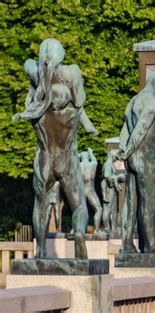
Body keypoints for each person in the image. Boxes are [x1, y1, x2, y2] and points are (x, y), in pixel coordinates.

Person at [12, 38, 90, 258]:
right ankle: (80, 233)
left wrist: (41, 66)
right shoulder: (72, 77)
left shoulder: (39, 92)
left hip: (45, 158)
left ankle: (40, 251)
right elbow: (80, 98)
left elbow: (29, 64)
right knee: (80, 206)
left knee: (41, 205)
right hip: (67, 158)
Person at [116, 71, 155, 254]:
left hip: (133, 159)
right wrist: (128, 150)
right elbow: (140, 130)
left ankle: (126, 243)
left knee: (131, 202)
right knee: (149, 202)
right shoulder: (153, 104)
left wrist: (124, 151)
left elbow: (126, 130)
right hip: (146, 158)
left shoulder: (133, 101)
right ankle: (150, 245)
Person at [101, 150, 126, 235]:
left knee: (112, 209)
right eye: (116, 155)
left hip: (111, 189)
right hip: (109, 188)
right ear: (112, 155)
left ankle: (113, 228)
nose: (117, 157)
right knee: (107, 209)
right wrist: (115, 179)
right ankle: (107, 228)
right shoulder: (108, 164)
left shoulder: (110, 164)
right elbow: (107, 176)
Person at [80, 148, 103, 234]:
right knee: (99, 209)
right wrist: (91, 152)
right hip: (90, 190)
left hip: (81, 191)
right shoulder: (92, 165)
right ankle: (96, 230)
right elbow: (95, 161)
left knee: (81, 211)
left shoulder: (78, 166)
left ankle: (79, 229)